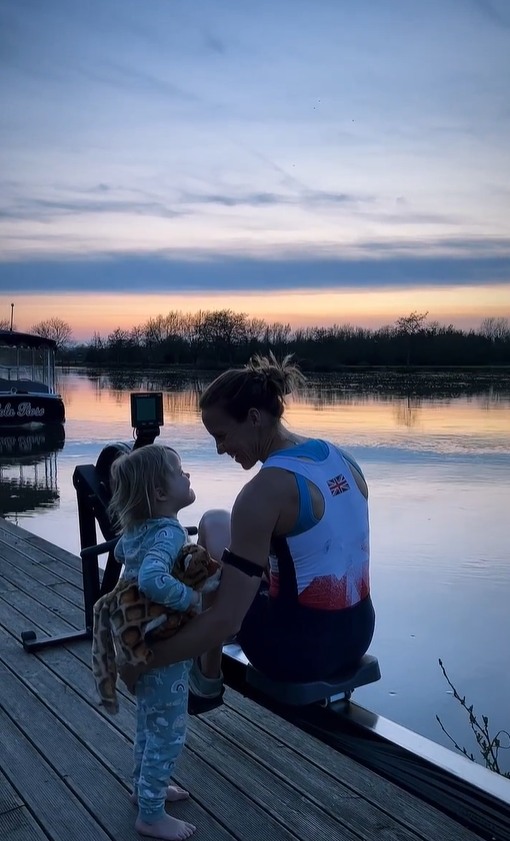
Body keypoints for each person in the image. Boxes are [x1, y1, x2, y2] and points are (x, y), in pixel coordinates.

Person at [122, 354, 375, 708]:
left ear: (254, 418)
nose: (220, 448)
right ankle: (206, 677)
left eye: (222, 435)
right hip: (359, 634)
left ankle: (207, 681)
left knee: (212, 525)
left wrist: (143, 659)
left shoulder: (263, 492)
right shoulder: (342, 458)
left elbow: (227, 620)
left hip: (296, 652)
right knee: (221, 525)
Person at [108, 443, 198, 840]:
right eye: (180, 472)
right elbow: (151, 579)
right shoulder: (169, 531)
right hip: (157, 640)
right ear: (160, 494)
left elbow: (119, 550)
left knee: (149, 720)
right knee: (168, 729)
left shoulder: (136, 530)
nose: (187, 476)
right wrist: (191, 600)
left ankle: (146, 790)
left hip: (130, 634)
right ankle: (151, 814)